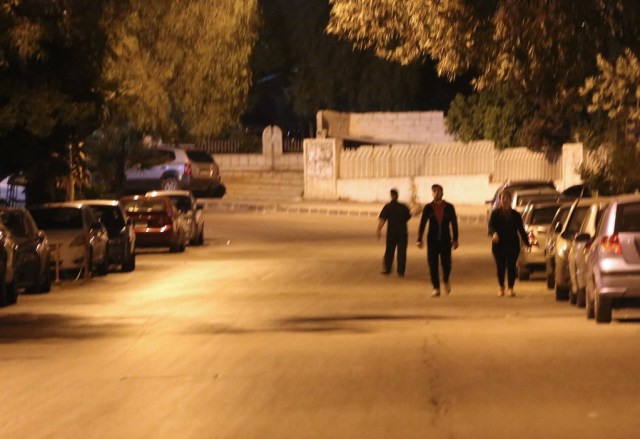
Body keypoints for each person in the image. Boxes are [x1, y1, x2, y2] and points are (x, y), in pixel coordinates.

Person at [417, 184, 459, 297]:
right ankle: (436, 287)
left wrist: (455, 239)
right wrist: (419, 238)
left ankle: (445, 279)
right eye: (434, 191)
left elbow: (454, 223)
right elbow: (422, 223)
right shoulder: (428, 208)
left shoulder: (449, 207)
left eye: (438, 191)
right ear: (432, 193)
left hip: (445, 240)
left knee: (446, 264)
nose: (436, 193)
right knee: (432, 264)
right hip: (432, 240)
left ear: (442, 193)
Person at [488, 190, 530, 297]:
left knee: (511, 266)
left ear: (511, 200)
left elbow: (521, 230)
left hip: (512, 245)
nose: (505, 200)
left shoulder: (515, 215)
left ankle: (511, 288)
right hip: (499, 245)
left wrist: (527, 243)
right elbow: (490, 227)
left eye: (507, 198)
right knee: (500, 267)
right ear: (500, 200)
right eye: (503, 198)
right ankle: (501, 287)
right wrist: (494, 234)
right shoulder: (495, 214)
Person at [377, 188, 412, 277]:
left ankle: (388, 269)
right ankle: (401, 271)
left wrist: (378, 230)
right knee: (402, 252)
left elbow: (383, 219)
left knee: (389, 251)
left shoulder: (388, 206)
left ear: (391, 196)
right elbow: (408, 217)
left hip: (392, 233)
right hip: (402, 233)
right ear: (397, 195)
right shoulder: (403, 206)